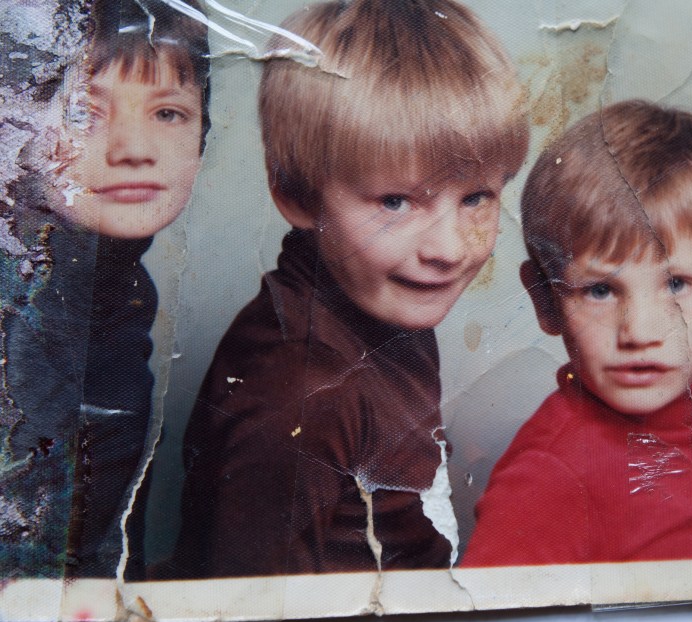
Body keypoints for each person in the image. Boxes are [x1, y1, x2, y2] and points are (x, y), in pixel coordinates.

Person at [167, 0, 528, 578]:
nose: (450, 248)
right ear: (297, 195)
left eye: (476, 197)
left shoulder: (389, 310)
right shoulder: (300, 391)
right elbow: (250, 619)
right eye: (395, 201)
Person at [462, 100, 692, 567]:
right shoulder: (549, 476)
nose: (640, 332)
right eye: (600, 290)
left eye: (675, 284)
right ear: (547, 301)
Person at [0, 0, 208, 578]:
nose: (133, 149)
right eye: (82, 114)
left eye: (168, 113)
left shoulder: (114, 281)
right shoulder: (22, 306)